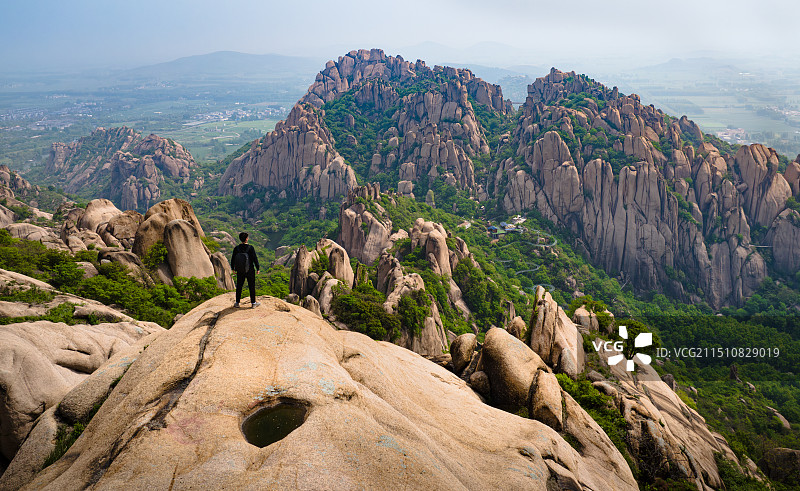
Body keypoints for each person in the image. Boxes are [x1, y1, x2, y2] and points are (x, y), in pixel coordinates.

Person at [231, 232, 260, 308]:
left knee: (239, 286)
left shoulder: (237, 248)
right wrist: (258, 268)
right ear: (246, 239)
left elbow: (233, 259)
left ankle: (237, 303)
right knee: (251, 286)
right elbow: (255, 258)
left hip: (240, 270)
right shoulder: (250, 248)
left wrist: (233, 268)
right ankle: (253, 303)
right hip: (250, 270)